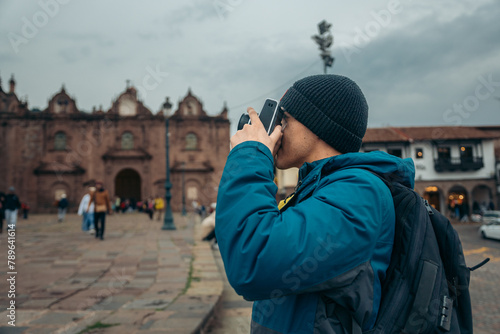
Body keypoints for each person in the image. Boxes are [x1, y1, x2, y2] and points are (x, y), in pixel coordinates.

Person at [215, 74, 415, 333]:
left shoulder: (359, 194)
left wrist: (251, 153)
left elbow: (252, 258)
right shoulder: (322, 190)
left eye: (284, 120)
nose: (276, 130)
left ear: (316, 125)